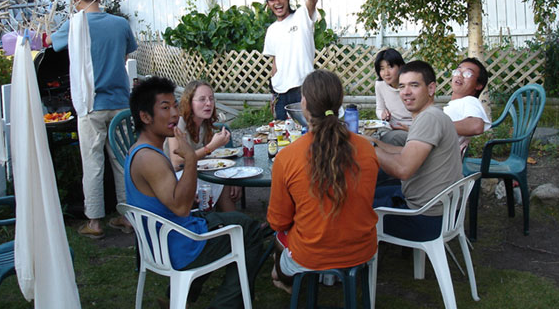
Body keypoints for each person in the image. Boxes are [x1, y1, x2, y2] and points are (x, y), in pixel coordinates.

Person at [126, 76, 263, 308]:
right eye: (165, 108)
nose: (174, 114)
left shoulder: (141, 150)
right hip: (179, 245)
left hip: (168, 236)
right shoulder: (149, 159)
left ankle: (179, 297)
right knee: (249, 230)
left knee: (235, 221)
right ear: (145, 117)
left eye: (174, 106)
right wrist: (190, 158)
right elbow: (181, 207)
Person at [267, 70, 378, 292]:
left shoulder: (287, 157)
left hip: (310, 255)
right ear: (339, 104)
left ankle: (285, 278)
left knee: (279, 243)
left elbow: (278, 222)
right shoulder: (366, 149)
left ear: (304, 103)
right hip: (361, 251)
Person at [47, 0, 137, 238]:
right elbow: (127, 53)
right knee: (123, 162)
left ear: (77, 0)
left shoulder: (75, 25)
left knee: (93, 164)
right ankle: (127, 217)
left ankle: (95, 223)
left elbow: (51, 43)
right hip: (120, 103)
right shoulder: (120, 24)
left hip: (91, 105)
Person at [363, 61, 462, 241]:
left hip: (425, 219)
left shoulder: (428, 118)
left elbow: (403, 169)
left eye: (414, 85)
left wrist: (369, 148)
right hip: (440, 211)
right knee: (366, 194)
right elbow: (407, 152)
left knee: (354, 205)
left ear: (431, 88)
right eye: (402, 86)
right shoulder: (433, 114)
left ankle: (348, 258)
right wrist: (375, 142)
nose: (406, 92)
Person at [167, 80, 241, 212]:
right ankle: (224, 220)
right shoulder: (178, 123)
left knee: (224, 181)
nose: (208, 103)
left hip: (193, 171)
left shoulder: (204, 123)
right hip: (172, 178)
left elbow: (212, 158)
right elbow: (177, 163)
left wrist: (233, 178)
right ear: (189, 102)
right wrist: (211, 147)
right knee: (218, 182)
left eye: (211, 99)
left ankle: (232, 221)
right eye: (202, 99)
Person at [262, 0, 319, 120]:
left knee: (308, 129)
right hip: (280, 93)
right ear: (268, 4)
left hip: (303, 88)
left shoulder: (302, 16)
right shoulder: (271, 30)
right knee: (281, 131)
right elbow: (275, 63)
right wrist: (273, 93)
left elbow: (313, 0)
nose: (277, 2)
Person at [442, 58, 491, 154]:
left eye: (467, 73)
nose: (459, 75)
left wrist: (438, 125)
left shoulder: (469, 101)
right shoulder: (455, 104)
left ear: (478, 85)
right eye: (457, 71)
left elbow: (476, 126)